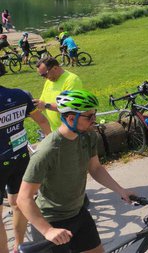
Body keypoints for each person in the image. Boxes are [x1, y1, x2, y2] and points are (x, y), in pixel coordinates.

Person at [17, 90, 134, 253]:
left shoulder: (88, 136)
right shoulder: (48, 150)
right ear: (71, 118)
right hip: (51, 221)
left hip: (78, 213)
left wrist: (120, 190)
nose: (94, 120)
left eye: (95, 114)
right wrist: (48, 231)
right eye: (89, 117)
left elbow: (95, 168)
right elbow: (23, 198)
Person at [0, 70, 51, 253]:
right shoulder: (20, 95)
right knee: (18, 203)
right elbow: (43, 122)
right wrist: (48, 148)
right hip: (20, 158)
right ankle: (18, 247)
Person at [35, 58, 83, 132]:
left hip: (70, 131)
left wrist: (45, 105)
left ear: (55, 68)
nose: (45, 78)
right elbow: (42, 103)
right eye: (42, 76)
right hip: (55, 131)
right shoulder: (49, 81)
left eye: (45, 74)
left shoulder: (72, 80)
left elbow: (69, 108)